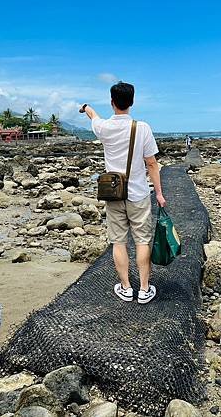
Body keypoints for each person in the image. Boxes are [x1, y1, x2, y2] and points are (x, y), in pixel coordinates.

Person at [80, 81, 166, 304]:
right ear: (132, 101)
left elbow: (93, 116)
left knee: (118, 242)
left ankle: (126, 288)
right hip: (138, 194)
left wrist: (86, 107)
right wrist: (159, 193)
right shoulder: (142, 128)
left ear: (112, 102)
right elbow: (152, 164)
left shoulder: (104, 128)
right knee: (142, 241)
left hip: (113, 193)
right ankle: (145, 289)